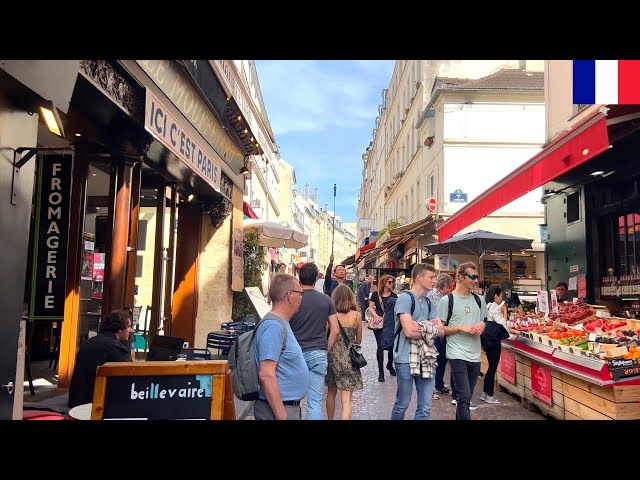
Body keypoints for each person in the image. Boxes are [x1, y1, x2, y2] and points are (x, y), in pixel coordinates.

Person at [390, 264, 445, 420]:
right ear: (419, 278)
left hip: (426, 358)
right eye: (431, 277)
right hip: (405, 358)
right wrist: (429, 327)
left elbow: (441, 331)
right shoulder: (405, 299)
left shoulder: (429, 302)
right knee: (402, 403)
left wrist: (420, 326)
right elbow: (408, 331)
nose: (435, 280)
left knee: (425, 407)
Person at [254, 273, 309, 420]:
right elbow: (266, 374)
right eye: (300, 294)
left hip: (287, 407)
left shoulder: (281, 323)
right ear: (290, 295)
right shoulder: (273, 326)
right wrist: (281, 415)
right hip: (278, 410)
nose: (301, 298)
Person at [289, 263, 339, 420]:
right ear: (316, 278)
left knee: (291, 401)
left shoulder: (292, 298)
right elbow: (335, 330)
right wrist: (325, 349)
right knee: (314, 403)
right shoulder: (326, 300)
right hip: (318, 352)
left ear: (299, 277)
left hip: (296, 353)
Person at [438, 262, 488, 421]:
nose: (475, 280)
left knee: (465, 399)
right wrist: (461, 328)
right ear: (460, 277)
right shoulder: (447, 301)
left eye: (477, 277)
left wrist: (483, 324)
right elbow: (440, 330)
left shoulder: (480, 300)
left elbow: (484, 322)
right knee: (464, 396)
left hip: (475, 355)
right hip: (456, 353)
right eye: (472, 276)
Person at [68, 309, 134, 408]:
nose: (131, 330)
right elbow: (133, 373)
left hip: (77, 400)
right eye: (128, 326)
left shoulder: (89, 342)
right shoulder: (115, 347)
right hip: (96, 403)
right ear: (119, 329)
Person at [326, 284, 363, 420]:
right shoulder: (357, 316)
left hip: (332, 357)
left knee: (331, 393)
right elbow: (358, 340)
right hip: (349, 359)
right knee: (346, 400)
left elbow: (326, 334)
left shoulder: (331, 315)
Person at [426, 272, 454, 397]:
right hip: (434, 332)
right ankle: (430, 389)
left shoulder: (444, 296)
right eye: (449, 287)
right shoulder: (433, 296)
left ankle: (439, 385)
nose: (450, 289)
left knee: (442, 359)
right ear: (444, 285)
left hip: (442, 332)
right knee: (434, 360)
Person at [368, 274, 398, 382]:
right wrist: (376, 316)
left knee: (390, 346)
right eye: (389, 282)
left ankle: (389, 365)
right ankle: (381, 372)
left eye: (392, 282)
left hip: (389, 324)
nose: (391, 284)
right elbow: (370, 307)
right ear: (383, 282)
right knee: (380, 346)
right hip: (378, 324)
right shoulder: (376, 294)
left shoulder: (394, 296)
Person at [481, 285, 507, 404]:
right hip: (493, 339)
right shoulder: (495, 306)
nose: (501, 298)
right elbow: (501, 322)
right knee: (493, 367)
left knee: (490, 366)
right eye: (501, 295)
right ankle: (489, 395)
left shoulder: (485, 305)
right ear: (496, 296)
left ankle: (485, 393)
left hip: (486, 338)